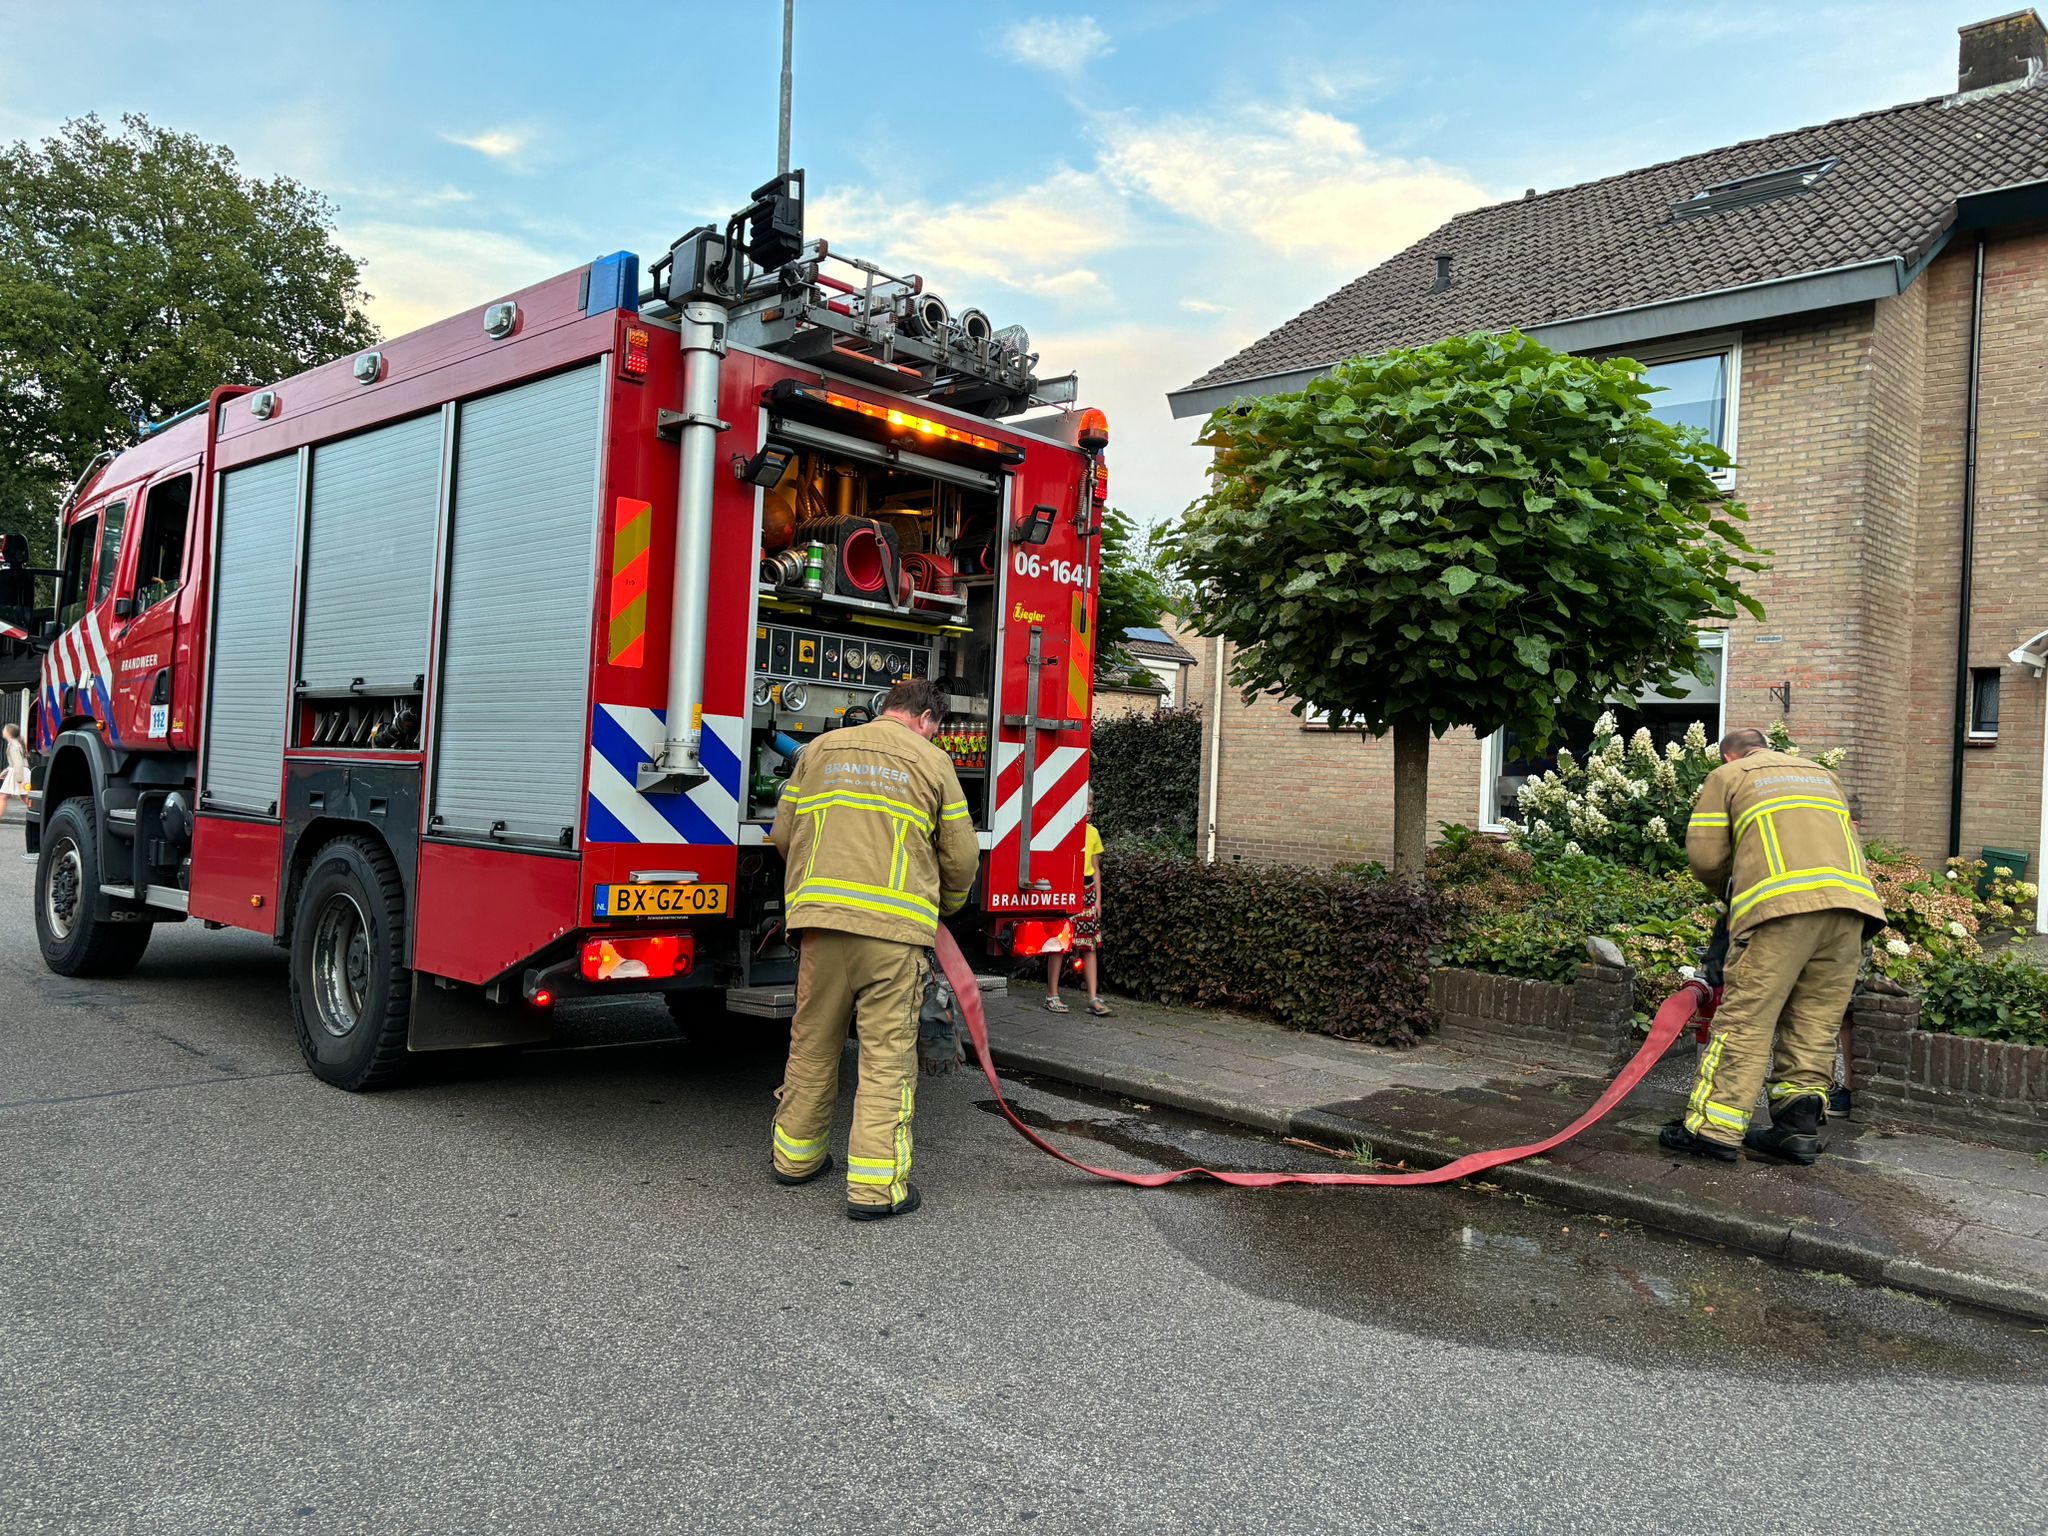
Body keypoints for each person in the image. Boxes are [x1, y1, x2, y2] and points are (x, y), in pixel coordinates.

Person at [768, 677, 978, 1221]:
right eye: (935, 727)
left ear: (887, 708)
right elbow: (960, 858)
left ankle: (795, 1160)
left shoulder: (817, 750)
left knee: (812, 1044)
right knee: (886, 1056)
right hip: (892, 934)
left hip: (819, 925)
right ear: (927, 719)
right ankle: (876, 1190)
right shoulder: (933, 762)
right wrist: (947, 905)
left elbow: (783, 835)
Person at [1661, 727, 1885, 1166]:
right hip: (1851, 912)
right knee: (1815, 1023)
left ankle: (1713, 1129)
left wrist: (1731, 895)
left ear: (1729, 757)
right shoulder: (1821, 774)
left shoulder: (1730, 776)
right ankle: (1795, 1130)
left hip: (1780, 913)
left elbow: (1706, 856)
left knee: (1746, 1020)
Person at [1046, 815, 1108, 1016]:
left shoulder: (1093, 832)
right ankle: (1052, 995)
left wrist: (1097, 899)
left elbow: (1095, 868)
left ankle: (1092, 998)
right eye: (1085, 804)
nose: (1088, 809)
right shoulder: (1063, 829)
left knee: (1089, 945)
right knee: (1059, 942)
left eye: (1091, 805)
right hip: (1066, 886)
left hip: (1087, 891)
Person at [0, 723, 28, 821]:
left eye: (4, 729)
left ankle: (41, 814)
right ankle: (41, 814)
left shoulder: (13, 745)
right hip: (19, 772)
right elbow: (15, 763)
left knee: (3, 796)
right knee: (24, 796)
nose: (3, 731)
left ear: (8, 733)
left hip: (18, 773)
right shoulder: (15, 743)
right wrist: (5, 773)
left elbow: (18, 762)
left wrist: (19, 779)